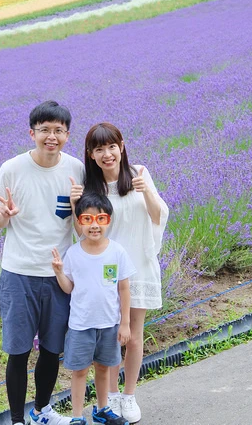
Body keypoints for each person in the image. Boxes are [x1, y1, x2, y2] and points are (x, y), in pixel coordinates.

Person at [0, 100, 85, 425]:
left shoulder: (76, 170)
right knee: (17, 351)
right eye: (44, 130)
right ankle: (17, 420)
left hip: (58, 274)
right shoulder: (12, 169)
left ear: (68, 134)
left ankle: (41, 411)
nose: (51, 136)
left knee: (51, 349)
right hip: (19, 273)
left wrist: (76, 207)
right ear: (32, 133)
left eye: (58, 130)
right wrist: (4, 214)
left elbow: (86, 225)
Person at [82, 122, 169, 424]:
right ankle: (112, 396)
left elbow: (158, 216)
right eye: (99, 149)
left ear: (122, 146)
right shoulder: (91, 188)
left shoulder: (140, 174)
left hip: (138, 265)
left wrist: (146, 193)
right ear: (91, 155)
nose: (107, 154)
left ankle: (129, 395)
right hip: (106, 272)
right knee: (106, 337)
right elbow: (85, 231)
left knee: (133, 335)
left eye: (112, 146)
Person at [52, 192, 134, 425]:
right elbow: (68, 288)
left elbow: (124, 289)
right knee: (79, 371)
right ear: (79, 222)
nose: (94, 225)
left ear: (109, 221)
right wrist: (59, 272)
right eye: (87, 219)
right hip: (81, 325)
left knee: (103, 368)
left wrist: (125, 323)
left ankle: (102, 409)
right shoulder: (74, 254)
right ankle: (78, 416)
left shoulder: (117, 251)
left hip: (109, 323)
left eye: (101, 219)